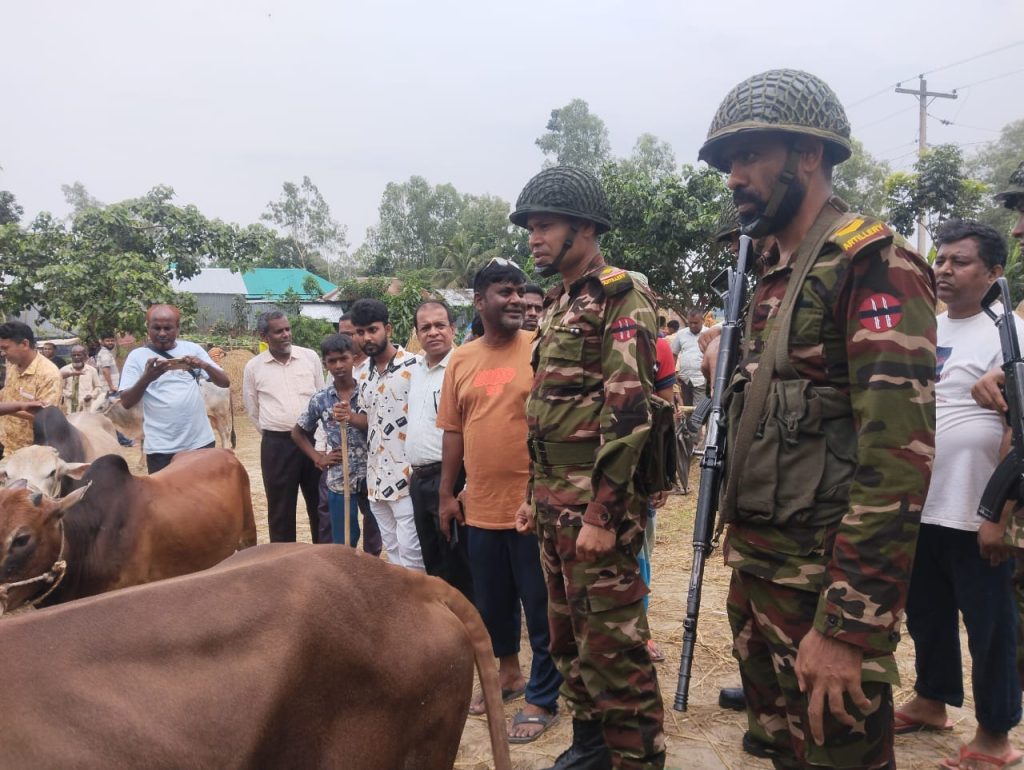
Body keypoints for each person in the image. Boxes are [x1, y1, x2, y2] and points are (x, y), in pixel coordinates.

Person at [699, 69, 936, 770]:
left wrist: (849, 627)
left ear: (808, 154)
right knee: (785, 752)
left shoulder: (871, 265)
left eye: (751, 156)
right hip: (762, 577)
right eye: (729, 162)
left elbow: (898, 460)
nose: (736, 177)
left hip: (826, 596)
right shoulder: (772, 275)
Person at [511, 166, 665, 770]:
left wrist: (602, 513)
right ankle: (594, 746)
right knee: (569, 641)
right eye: (529, 227)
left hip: (595, 511)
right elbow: (547, 410)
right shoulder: (557, 303)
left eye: (543, 226)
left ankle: (637, 758)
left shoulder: (620, 296)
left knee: (614, 648)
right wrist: (533, 493)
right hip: (554, 506)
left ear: (584, 227)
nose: (533, 238)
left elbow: (627, 412)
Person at [896, 220, 1023, 770]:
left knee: (991, 626)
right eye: (940, 259)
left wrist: (1001, 515)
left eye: (960, 261)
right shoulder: (926, 326)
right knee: (926, 612)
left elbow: (1021, 431)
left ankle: (996, 734)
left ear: (994, 273)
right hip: (922, 503)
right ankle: (931, 700)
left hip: (978, 510)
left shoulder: (1011, 335)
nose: (943, 270)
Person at [437, 259, 561, 743]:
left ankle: (543, 694)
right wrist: (448, 494)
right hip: (481, 506)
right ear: (479, 300)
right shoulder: (462, 359)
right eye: (503, 293)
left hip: (533, 507)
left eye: (518, 292)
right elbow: (452, 431)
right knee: (492, 601)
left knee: (540, 602)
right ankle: (508, 673)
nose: (515, 300)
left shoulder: (540, 349)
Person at [406, 300, 473, 599]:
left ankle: (470, 632)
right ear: (417, 333)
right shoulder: (416, 370)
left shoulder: (463, 366)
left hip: (451, 478)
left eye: (440, 325)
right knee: (432, 560)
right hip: (420, 480)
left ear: (453, 328)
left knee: (458, 562)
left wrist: (463, 485)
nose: (433, 333)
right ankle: (446, 631)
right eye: (426, 327)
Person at [349, 298, 423, 570]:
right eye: (360, 332)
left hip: (406, 479)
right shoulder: (364, 376)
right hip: (376, 480)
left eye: (372, 329)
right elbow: (372, 422)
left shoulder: (416, 367)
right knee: (392, 552)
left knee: (413, 554)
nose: (366, 337)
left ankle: (422, 611)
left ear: (388, 329)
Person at [242, 311, 325, 543]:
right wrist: (276, 431)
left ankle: (324, 559)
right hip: (277, 446)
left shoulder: (310, 358)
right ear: (264, 336)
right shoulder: (253, 367)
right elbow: (253, 409)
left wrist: (318, 439)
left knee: (320, 504)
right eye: (278, 331)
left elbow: (322, 397)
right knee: (280, 510)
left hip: (312, 441)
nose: (286, 334)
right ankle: (282, 563)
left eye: (287, 329)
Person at [120, 304, 230, 474]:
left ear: (177, 328)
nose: (162, 333)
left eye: (168, 328)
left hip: (199, 443)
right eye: (156, 328)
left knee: (202, 497)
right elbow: (126, 402)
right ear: (148, 328)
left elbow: (224, 382)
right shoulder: (137, 357)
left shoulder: (192, 350)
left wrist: (204, 365)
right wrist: (148, 377)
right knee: (165, 500)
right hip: (160, 449)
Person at [291, 334, 369, 547]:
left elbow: (376, 424)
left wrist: (352, 417)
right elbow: (297, 432)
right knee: (344, 538)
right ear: (325, 363)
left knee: (375, 535)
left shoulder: (368, 392)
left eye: (343, 358)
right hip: (339, 478)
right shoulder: (321, 399)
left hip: (372, 475)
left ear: (354, 358)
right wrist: (318, 458)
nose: (338, 365)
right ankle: (346, 577)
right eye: (332, 361)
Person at [336, 313, 382, 556]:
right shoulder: (336, 366)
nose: (350, 338)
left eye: (353, 333)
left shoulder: (377, 368)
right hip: (344, 461)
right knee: (344, 521)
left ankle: (372, 562)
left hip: (374, 459)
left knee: (374, 516)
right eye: (344, 334)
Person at [0, 322, 62, 456]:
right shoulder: (12, 364)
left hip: (28, 452)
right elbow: (7, 392)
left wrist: (8, 409)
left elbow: (46, 418)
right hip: (5, 441)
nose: (2, 353)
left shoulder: (49, 374)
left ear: (24, 344)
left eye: (5, 348)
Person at [60, 344, 105, 413]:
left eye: (79, 355)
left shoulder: (92, 370)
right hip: (69, 408)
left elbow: (98, 387)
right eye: (74, 355)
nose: (76, 357)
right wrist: (70, 394)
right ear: (71, 356)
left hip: (87, 406)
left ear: (85, 356)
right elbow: (59, 388)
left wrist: (91, 395)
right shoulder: (64, 370)